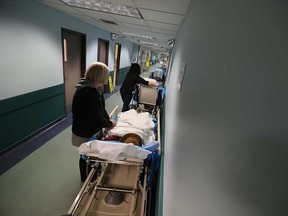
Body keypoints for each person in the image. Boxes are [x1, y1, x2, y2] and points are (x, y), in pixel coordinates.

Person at [71, 62, 116, 182]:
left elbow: (101, 108)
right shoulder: (86, 92)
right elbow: (95, 118)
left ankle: (94, 172)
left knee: (92, 154)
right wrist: (109, 124)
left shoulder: (96, 89)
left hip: (92, 128)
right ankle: (86, 179)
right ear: (99, 76)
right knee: (85, 155)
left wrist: (108, 120)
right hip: (84, 131)